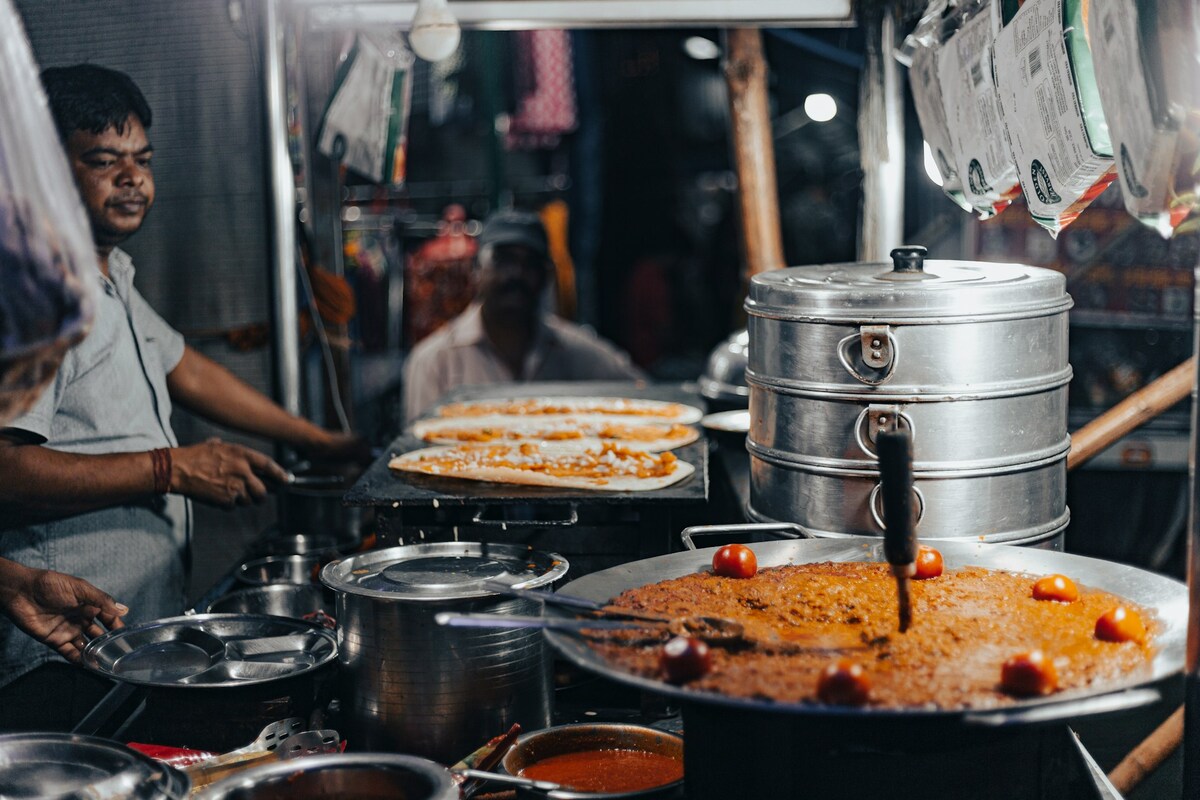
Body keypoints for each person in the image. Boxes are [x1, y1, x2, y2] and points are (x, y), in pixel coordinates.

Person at [0, 64, 361, 727]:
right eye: (103, 161)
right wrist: (172, 467)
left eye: (142, 160)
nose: (133, 179)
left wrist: (324, 442)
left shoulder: (108, 276)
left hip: (125, 636)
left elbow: (187, 369)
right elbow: (7, 470)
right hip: (57, 655)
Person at [403, 210, 645, 422]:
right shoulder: (434, 362)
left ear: (546, 276)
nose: (516, 273)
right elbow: (417, 449)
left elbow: (645, 396)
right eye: (503, 260)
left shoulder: (579, 354)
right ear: (476, 270)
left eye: (530, 263)